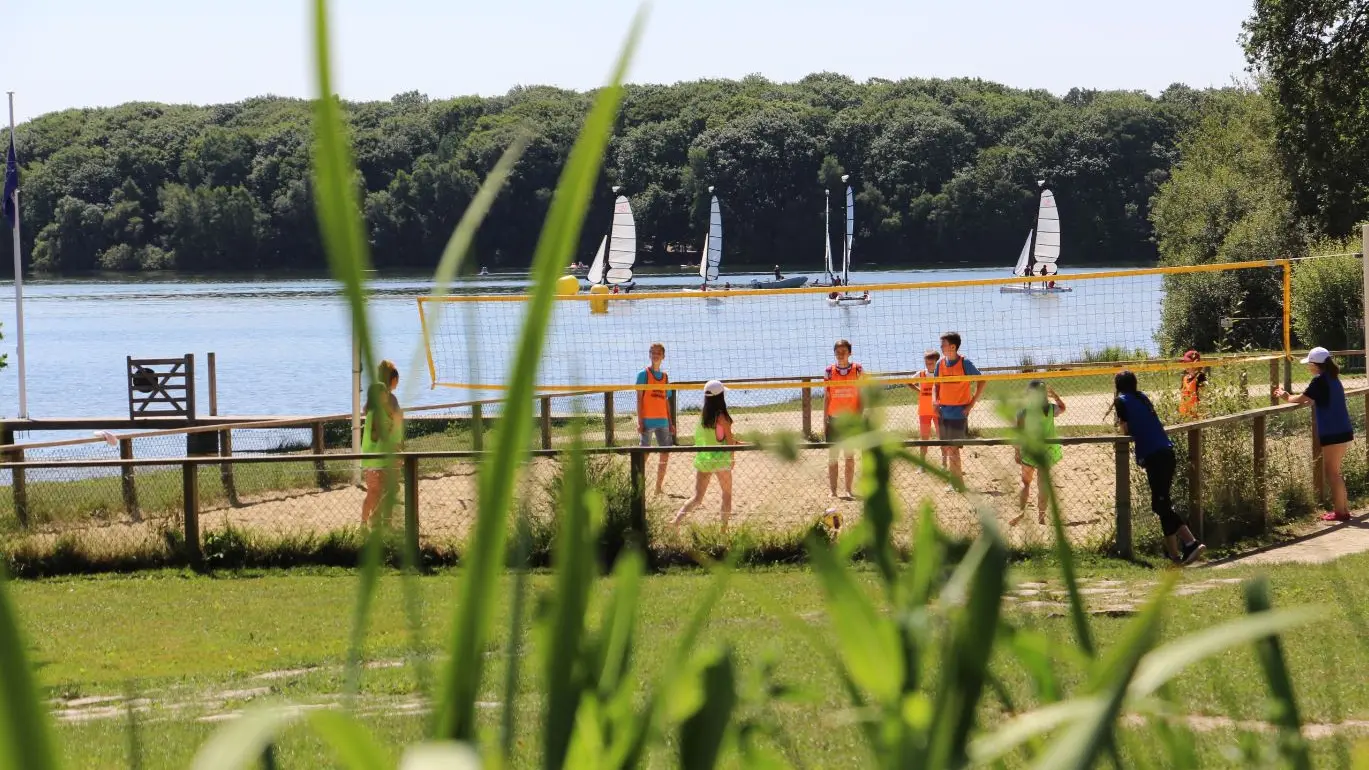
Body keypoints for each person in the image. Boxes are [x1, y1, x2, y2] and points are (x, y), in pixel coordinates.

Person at [1114, 370, 1206, 565]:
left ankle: (1191, 542)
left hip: (1154, 455)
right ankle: (1175, 557)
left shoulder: (1121, 401)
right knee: (1162, 504)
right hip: (1165, 451)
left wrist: (1122, 428)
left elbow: (1125, 429)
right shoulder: (1142, 396)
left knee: (1160, 504)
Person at [1275, 346, 1354, 522]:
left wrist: (1285, 396)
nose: (1308, 367)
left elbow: (1301, 399)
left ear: (1315, 365)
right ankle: (1344, 509)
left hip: (1333, 432)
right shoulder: (1333, 378)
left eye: (1309, 364)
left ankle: (1340, 512)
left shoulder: (1319, 381)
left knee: (1332, 472)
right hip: (1343, 429)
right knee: (1336, 472)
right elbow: (1311, 398)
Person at [673, 380, 738, 532]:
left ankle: (675, 521)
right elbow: (729, 442)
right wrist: (732, 458)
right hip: (721, 459)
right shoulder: (723, 417)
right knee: (727, 494)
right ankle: (723, 529)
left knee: (697, 498)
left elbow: (712, 437)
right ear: (720, 397)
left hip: (705, 459)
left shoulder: (703, 415)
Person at [932, 332, 985, 485]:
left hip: (958, 413)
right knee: (948, 448)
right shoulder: (940, 364)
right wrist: (935, 402)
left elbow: (982, 381)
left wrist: (971, 404)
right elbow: (936, 385)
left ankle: (957, 482)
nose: (941, 347)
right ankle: (954, 480)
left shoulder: (965, 363)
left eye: (943, 345)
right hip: (943, 411)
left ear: (953, 347)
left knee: (953, 449)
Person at [1011, 381, 1066, 526]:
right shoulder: (1049, 409)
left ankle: (1021, 511)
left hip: (1030, 451)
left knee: (1026, 483)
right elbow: (1063, 408)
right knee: (1043, 485)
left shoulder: (1023, 412)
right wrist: (1055, 395)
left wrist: (1016, 451)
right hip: (1046, 452)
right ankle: (1041, 517)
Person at [361, 360, 404, 526]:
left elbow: (367, 412)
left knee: (379, 491)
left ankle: (376, 521)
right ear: (393, 380)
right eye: (397, 379)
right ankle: (379, 520)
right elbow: (391, 427)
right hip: (386, 452)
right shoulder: (389, 399)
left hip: (377, 454)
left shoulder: (374, 401)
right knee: (389, 489)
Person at [824, 339, 864, 498]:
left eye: (843, 352)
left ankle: (848, 490)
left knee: (849, 456)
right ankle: (833, 492)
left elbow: (862, 396)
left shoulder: (858, 370)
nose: (840, 355)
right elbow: (827, 398)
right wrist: (824, 420)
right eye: (838, 352)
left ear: (849, 353)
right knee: (833, 457)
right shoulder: (829, 371)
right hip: (834, 419)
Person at [636, 343, 675, 496]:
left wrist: (671, 423)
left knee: (665, 454)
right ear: (649, 355)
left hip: (663, 422)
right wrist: (640, 422)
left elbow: (666, 401)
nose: (655, 355)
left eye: (658, 353)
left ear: (663, 356)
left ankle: (658, 488)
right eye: (652, 352)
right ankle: (637, 485)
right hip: (647, 421)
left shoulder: (665, 377)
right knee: (644, 455)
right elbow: (639, 400)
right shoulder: (643, 374)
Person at [907, 350, 941, 466]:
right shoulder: (921, 374)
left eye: (931, 363)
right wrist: (919, 390)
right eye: (926, 363)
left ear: (937, 362)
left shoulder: (940, 374)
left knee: (941, 437)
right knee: (924, 438)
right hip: (924, 410)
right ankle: (922, 465)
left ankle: (945, 463)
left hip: (938, 410)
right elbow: (909, 382)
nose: (928, 365)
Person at [1179, 350, 1207, 420]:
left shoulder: (1200, 376)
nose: (1186, 366)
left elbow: (1204, 393)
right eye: (1185, 364)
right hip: (1185, 413)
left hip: (1197, 413)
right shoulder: (1184, 377)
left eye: (1188, 364)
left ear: (1196, 365)